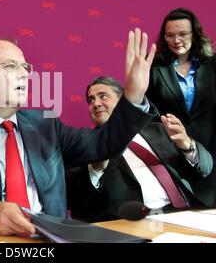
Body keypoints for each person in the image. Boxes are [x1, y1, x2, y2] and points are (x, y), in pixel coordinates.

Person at [0, 28, 156, 241]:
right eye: (10, 66)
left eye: (26, 67)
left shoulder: (46, 124)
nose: (24, 74)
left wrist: (132, 96)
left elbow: (104, 145)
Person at [66, 76, 213, 222]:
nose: (96, 103)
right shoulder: (86, 144)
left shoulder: (159, 130)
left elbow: (203, 170)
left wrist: (187, 145)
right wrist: (96, 169)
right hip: (135, 223)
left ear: (122, 101)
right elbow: (78, 201)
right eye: (90, 100)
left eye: (103, 96)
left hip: (187, 212)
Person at [146, 8, 216, 206]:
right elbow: (149, 112)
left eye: (183, 34)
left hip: (211, 152)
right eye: (170, 35)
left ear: (194, 34)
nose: (176, 40)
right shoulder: (154, 68)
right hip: (172, 157)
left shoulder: (212, 65)